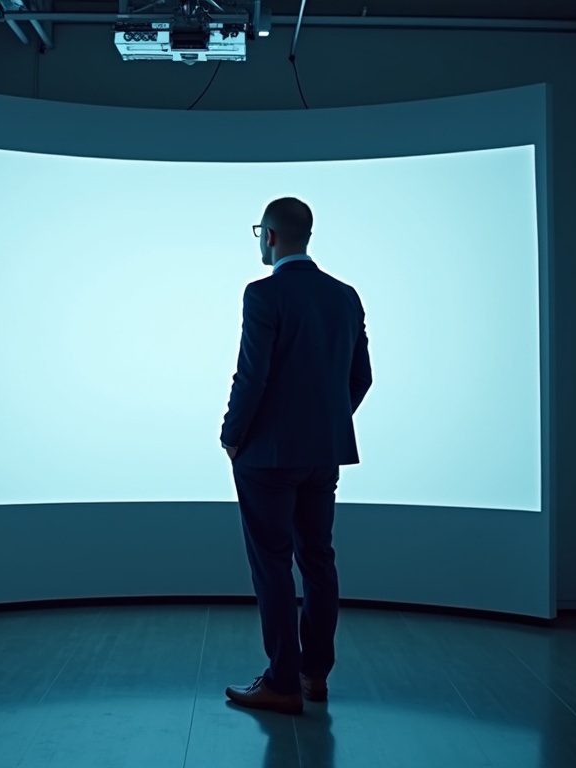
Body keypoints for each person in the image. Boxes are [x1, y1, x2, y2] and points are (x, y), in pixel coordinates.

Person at [220, 197, 372, 715]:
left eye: (260, 231)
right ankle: (314, 676)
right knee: (318, 559)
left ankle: (281, 681)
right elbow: (360, 378)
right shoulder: (345, 296)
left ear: (272, 236)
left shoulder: (262, 294)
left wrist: (231, 435)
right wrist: (325, 422)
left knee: (272, 566)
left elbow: (253, 375)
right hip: (322, 453)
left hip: (266, 457)